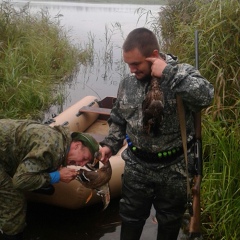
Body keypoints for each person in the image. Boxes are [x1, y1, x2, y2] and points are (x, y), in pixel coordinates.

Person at [99, 27, 214, 240]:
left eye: (136, 64)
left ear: (153, 56)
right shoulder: (127, 84)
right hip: (136, 167)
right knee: (130, 219)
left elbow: (205, 96)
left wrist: (168, 73)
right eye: (128, 64)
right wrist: (109, 145)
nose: (132, 70)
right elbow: (117, 119)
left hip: (174, 169)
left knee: (170, 223)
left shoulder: (180, 74)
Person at [0, 119, 99, 240]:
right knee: (14, 200)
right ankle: (10, 236)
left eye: (86, 163)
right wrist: (57, 176)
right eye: (84, 158)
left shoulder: (59, 140)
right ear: (77, 145)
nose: (81, 164)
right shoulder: (52, 148)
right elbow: (20, 180)